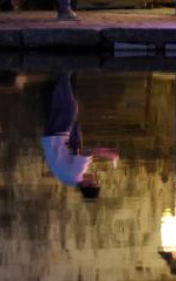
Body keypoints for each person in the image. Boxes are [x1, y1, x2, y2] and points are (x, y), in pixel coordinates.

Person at [41, 71, 119, 199]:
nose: (95, 178)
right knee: (61, 107)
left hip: (57, 136)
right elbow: (79, 151)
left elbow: (88, 152)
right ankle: (62, 77)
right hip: (50, 138)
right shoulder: (69, 180)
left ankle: (65, 72)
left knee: (71, 109)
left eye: (95, 182)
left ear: (87, 185)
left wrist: (110, 154)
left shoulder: (77, 174)